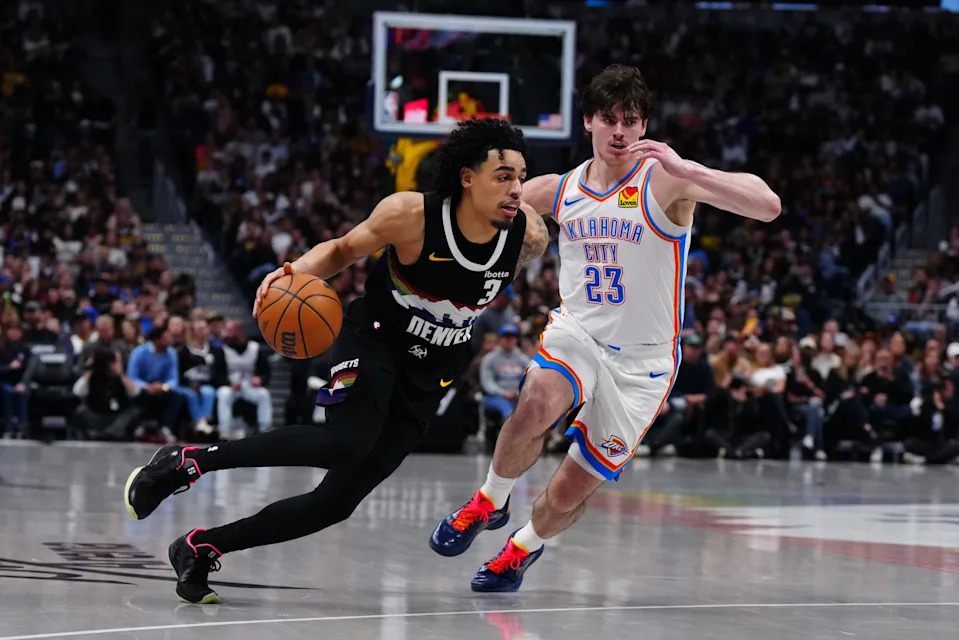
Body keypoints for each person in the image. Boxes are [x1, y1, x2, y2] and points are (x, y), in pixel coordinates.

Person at [122, 117, 549, 604]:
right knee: (346, 441)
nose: (516, 188)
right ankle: (187, 462)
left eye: (520, 175)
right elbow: (343, 250)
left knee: (337, 502)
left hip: (433, 370)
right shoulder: (411, 216)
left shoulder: (528, 237)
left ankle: (201, 547)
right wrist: (292, 273)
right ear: (466, 178)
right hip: (374, 340)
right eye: (503, 176)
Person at [430, 64, 781, 592]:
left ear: (643, 127)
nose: (620, 131)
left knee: (570, 490)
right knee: (536, 402)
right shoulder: (559, 189)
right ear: (590, 120)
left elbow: (768, 205)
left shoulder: (666, 179)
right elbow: (477, 209)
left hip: (645, 361)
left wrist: (693, 171)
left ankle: (521, 549)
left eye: (631, 120)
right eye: (609, 119)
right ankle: (488, 500)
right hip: (579, 332)